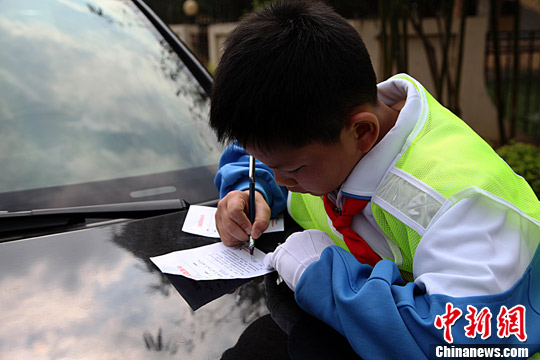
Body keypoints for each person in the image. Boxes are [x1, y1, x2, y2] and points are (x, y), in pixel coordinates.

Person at [209, 0, 540, 358]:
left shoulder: (465, 205)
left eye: (290, 170)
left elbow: (459, 344)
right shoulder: (327, 134)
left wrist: (325, 278)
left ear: (362, 132)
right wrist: (251, 188)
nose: (282, 179)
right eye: (267, 164)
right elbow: (265, 156)